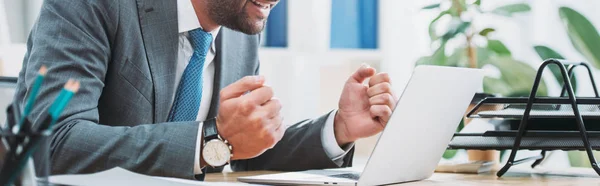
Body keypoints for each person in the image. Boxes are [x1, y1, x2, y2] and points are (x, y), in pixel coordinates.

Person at [13, 0, 398, 180]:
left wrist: (339, 129)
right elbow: (51, 143)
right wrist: (210, 141)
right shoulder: (90, 5)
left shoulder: (241, 31)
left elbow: (240, 153)